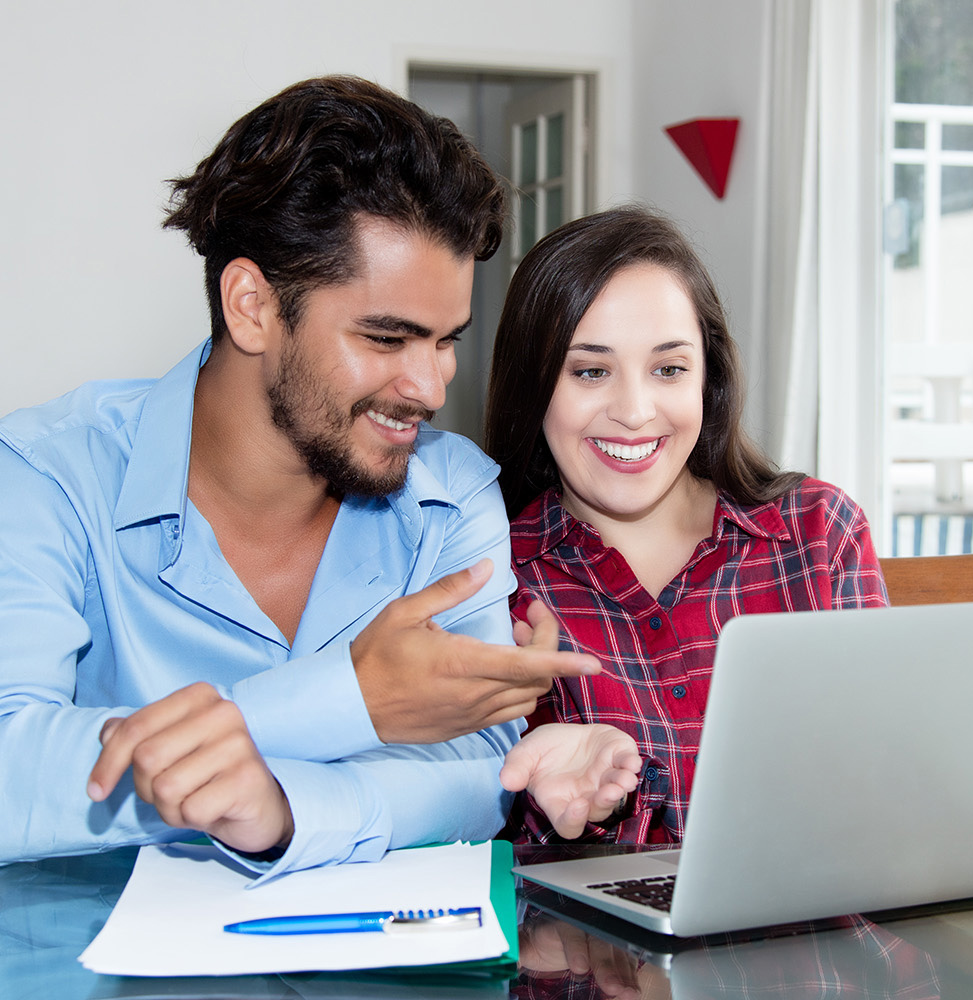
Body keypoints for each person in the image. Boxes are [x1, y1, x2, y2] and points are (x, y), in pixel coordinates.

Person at [0, 75, 612, 875]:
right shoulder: (47, 472)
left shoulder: (451, 493)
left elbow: (484, 778)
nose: (431, 387)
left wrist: (284, 810)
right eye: (387, 338)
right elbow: (11, 772)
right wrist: (349, 701)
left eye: (445, 339)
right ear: (251, 304)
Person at [487, 206, 888, 846]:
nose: (635, 412)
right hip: (615, 948)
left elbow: (887, 789)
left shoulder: (818, 534)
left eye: (668, 368)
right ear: (533, 386)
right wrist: (571, 802)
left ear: (709, 379)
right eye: (590, 370)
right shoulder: (493, 580)